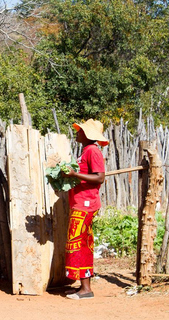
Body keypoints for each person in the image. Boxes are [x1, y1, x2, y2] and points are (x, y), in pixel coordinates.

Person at [61, 119, 108, 300]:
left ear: (88, 135)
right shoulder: (86, 151)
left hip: (86, 204)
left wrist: (74, 174)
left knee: (79, 244)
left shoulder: (93, 151)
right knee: (80, 242)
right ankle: (82, 286)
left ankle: (86, 289)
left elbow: (100, 177)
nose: (77, 132)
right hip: (80, 203)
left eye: (80, 131)